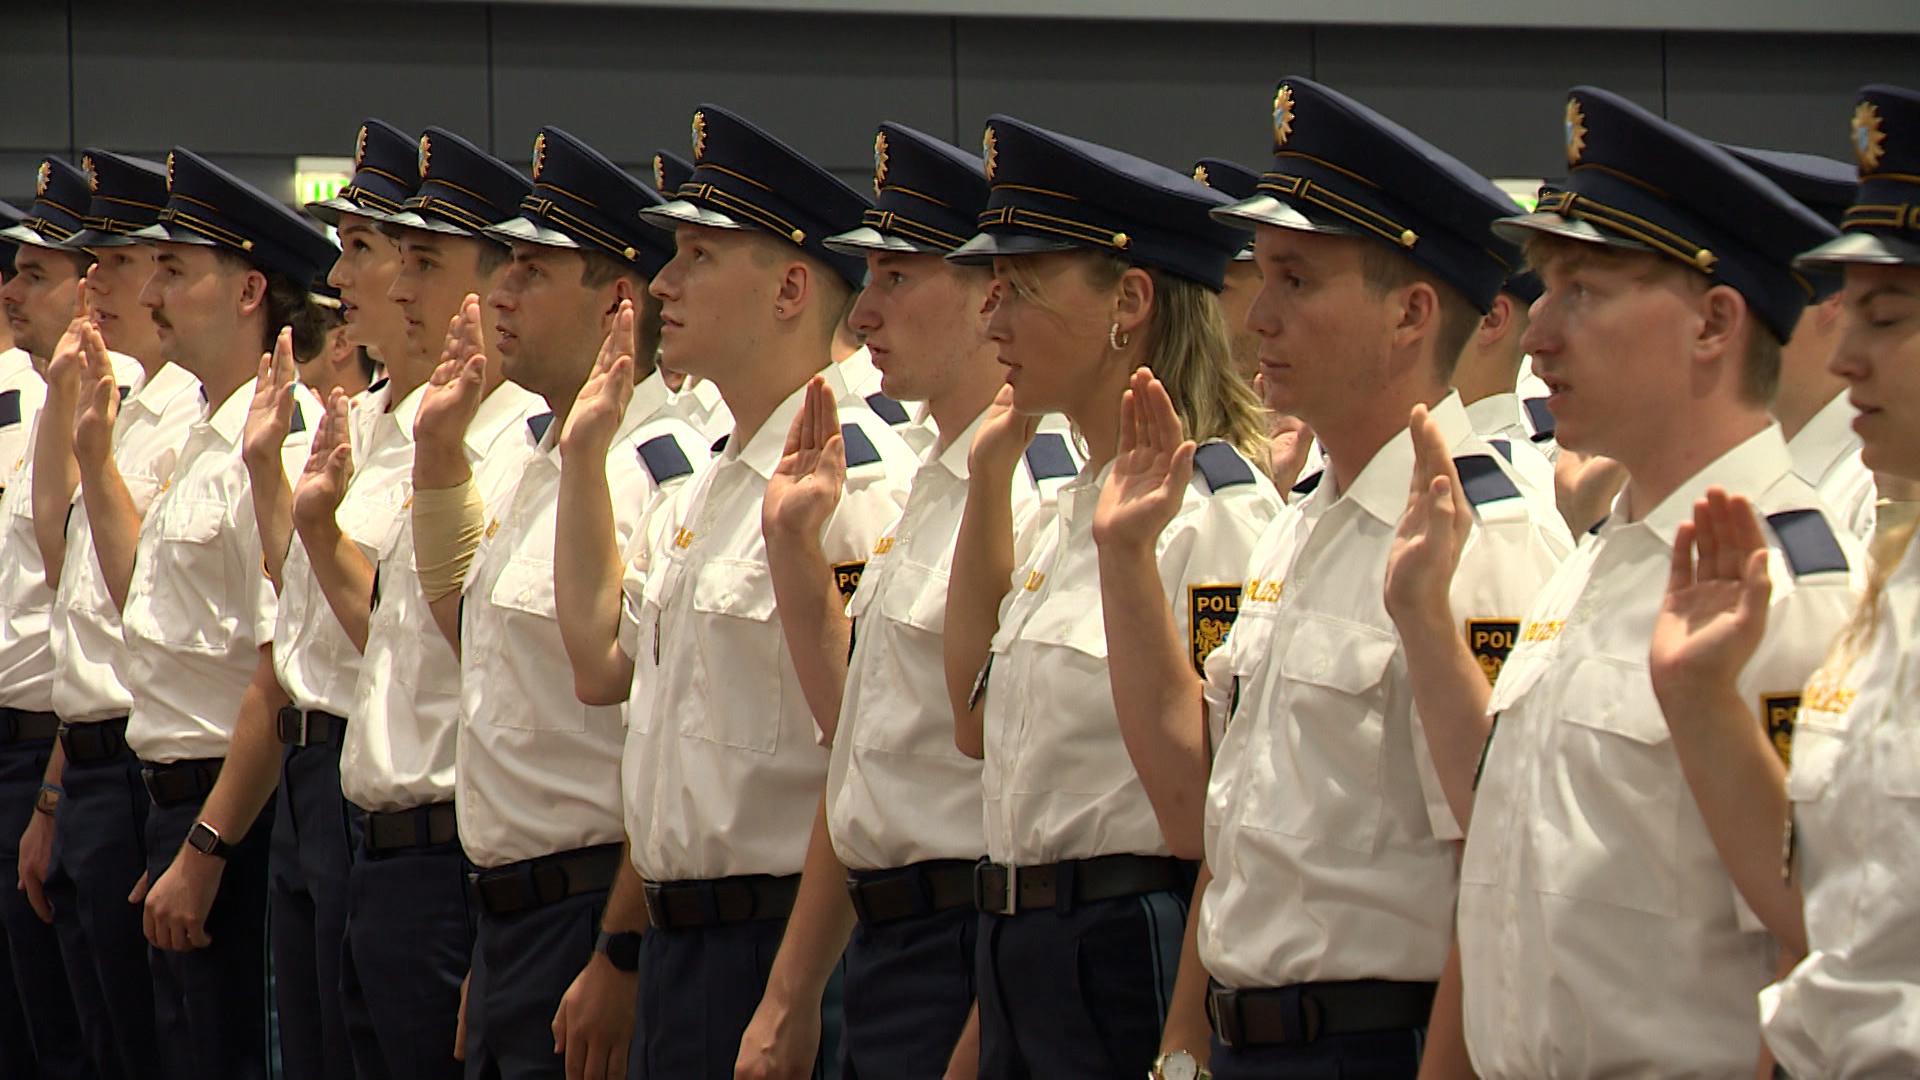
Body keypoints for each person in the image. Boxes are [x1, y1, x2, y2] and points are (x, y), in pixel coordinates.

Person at [1098, 77, 1568, 1079]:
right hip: (1248, 1037)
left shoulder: (1482, 540)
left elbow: (1491, 875)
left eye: (1298, 281)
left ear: (1410, 313)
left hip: (1378, 1043)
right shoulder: (1299, 524)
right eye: (1260, 276)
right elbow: (1196, 813)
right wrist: (1126, 563)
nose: (1256, 315)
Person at [1426, 87, 1859, 1077]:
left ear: (1713, 323)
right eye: (1541, 291)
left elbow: (1818, 946)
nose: (1536, 337)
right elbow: (1500, 872)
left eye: (1582, 291)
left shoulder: (1791, 590)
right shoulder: (1587, 565)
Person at [550, 104, 917, 1079]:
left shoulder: (858, 487)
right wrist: (584, 458)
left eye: (700, 256)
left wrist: (793, 994)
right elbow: (599, 664)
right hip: (680, 942)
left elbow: (866, 758)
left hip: (784, 937)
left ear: (792, 286)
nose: (664, 283)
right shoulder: (707, 483)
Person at [937, 113, 1280, 1079]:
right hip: (1019, 944)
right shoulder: (1065, 500)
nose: (989, 317)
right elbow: (973, 721)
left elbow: (1225, 816)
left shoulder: (1215, 513)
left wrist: (1185, 1031)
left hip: (1128, 947)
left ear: (1128, 299)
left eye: (1020, 289)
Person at [721, 121, 1019, 1080]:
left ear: (989, 297)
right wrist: (795, 550)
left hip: (966, 935)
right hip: (885, 938)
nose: (868, 314)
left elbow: (1023, 793)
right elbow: (861, 744)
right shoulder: (934, 478)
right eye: (870, 279)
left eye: (899, 278)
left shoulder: (1026, 487)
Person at [408, 124, 704, 1080]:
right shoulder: (543, 452)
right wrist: (441, 456)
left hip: (592, 909)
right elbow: (475, 638)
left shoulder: (659, 471)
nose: (498, 290)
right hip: (507, 914)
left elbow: (662, 743)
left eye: (533, 270)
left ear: (618, 298)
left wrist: (616, 953)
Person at [1644, 82, 1920, 1078]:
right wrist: (1700, 697)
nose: (1844, 358)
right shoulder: (1898, 573)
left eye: (1885, 318)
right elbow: (1822, 912)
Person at [137, 118, 420, 1080]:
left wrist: (206, 839)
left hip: (339, 776)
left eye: (371, 252)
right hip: (301, 787)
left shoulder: (323, 428)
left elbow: (295, 654)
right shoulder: (319, 429)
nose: (344, 280)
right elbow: (289, 612)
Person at [309, 124, 538, 1080]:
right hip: (378, 844)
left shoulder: (523, 449)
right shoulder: (429, 435)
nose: (398, 287)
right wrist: (320, 538)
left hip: (456, 852)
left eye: (424, 262)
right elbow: (399, 645)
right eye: (396, 259)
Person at [115, 146, 334, 1080]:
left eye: (174, 267)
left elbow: (275, 666)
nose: (149, 289)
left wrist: (205, 845)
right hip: (177, 805)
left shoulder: (279, 438)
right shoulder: (198, 435)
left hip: (236, 818)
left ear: (250, 291)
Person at [20, 148, 194, 1080]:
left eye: (123, 262)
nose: (100, 283)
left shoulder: (190, 423)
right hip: (82, 761)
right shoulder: (104, 409)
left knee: (152, 1042)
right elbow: (64, 587)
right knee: (92, 1044)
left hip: (143, 766)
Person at [0, 154, 109, 1080]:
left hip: (52, 748)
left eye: (38, 271)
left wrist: (50, 789)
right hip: (36, 750)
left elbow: (93, 623)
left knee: (71, 1036)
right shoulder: (28, 409)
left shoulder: (100, 416)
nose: (12, 290)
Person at [1723, 144, 1876, 541]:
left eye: (1743, 297)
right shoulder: (1746, 463)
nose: (1710, 326)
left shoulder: (1876, 488)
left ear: (1831, 299)